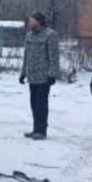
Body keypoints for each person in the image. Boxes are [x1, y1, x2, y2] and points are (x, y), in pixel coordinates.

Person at [19, 11, 60, 140]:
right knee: (33, 103)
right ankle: (36, 128)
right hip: (32, 75)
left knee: (41, 104)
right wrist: (23, 73)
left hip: (44, 76)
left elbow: (54, 56)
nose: (29, 23)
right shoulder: (29, 35)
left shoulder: (50, 35)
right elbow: (26, 56)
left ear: (39, 22)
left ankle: (41, 131)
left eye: (32, 20)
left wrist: (52, 74)